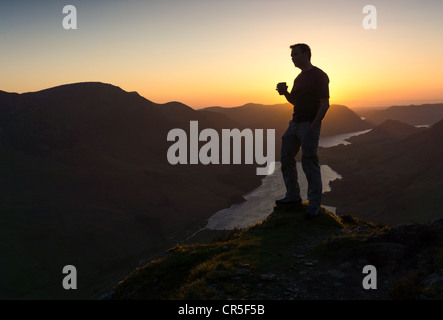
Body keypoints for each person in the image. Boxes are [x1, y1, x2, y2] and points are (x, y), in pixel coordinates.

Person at [276, 43, 330, 219]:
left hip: (308, 124)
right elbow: (295, 101)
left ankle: (314, 205)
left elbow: (324, 103)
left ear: (306, 54)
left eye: (296, 55)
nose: (293, 58)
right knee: (285, 157)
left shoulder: (319, 75)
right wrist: (285, 93)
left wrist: (314, 126)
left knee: (309, 162)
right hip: (295, 123)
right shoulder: (299, 78)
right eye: (292, 56)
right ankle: (293, 196)